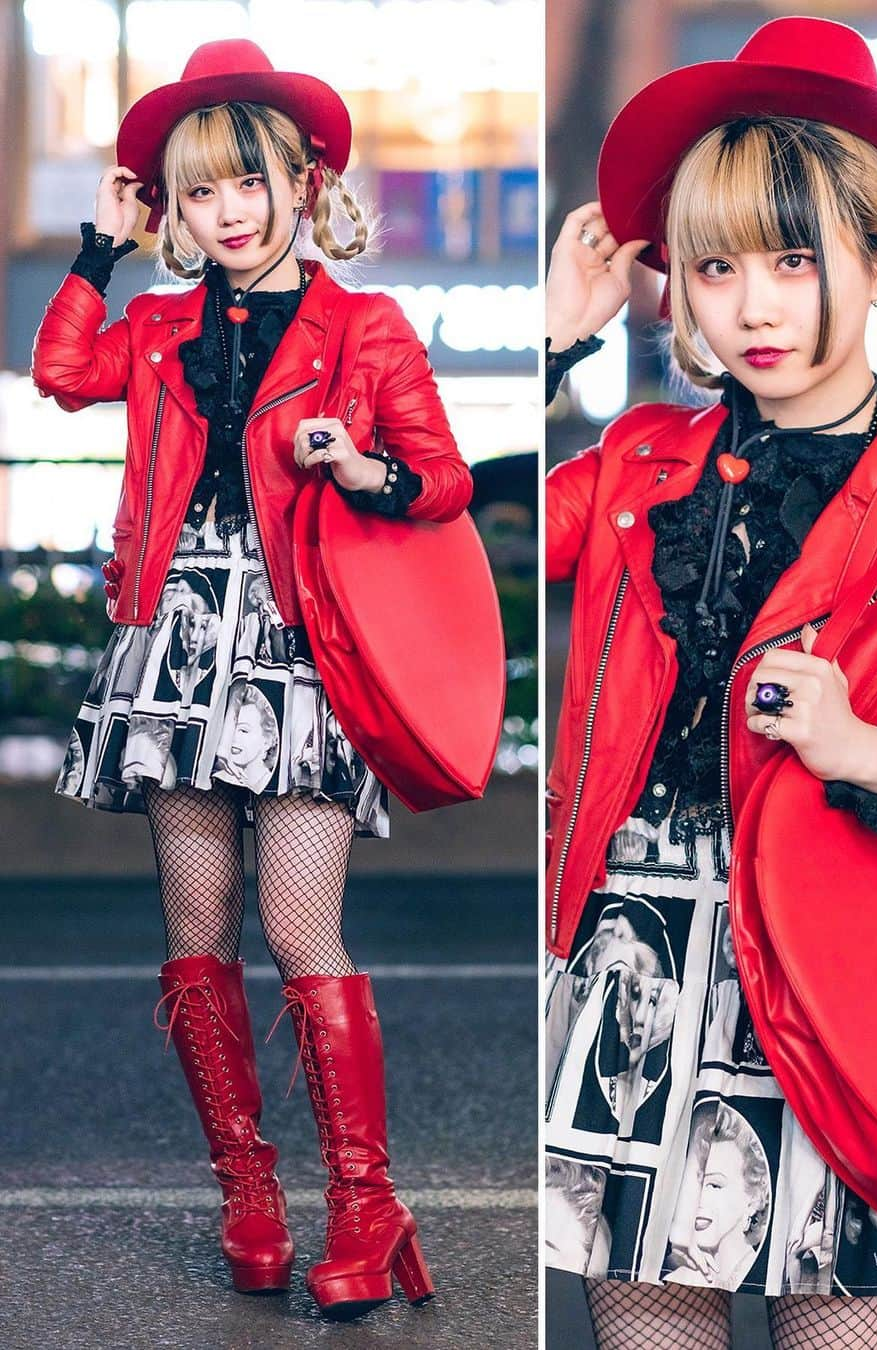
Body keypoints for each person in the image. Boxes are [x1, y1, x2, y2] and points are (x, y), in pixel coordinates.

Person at [543, 16, 877, 1350]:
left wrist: (872, 750)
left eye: (797, 256)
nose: (755, 305)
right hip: (639, 958)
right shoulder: (633, 468)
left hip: (851, 970)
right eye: (715, 264)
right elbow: (426, 533)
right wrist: (550, 349)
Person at [32, 39, 471, 1319]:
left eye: (245, 185)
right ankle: (248, 1192)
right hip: (177, 633)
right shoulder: (159, 323)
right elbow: (62, 376)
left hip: (300, 641)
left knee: (299, 924)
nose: (223, 214)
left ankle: (365, 1204)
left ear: (302, 181)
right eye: (195, 193)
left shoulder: (365, 326)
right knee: (195, 925)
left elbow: (440, 476)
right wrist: (95, 251)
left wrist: (360, 464)